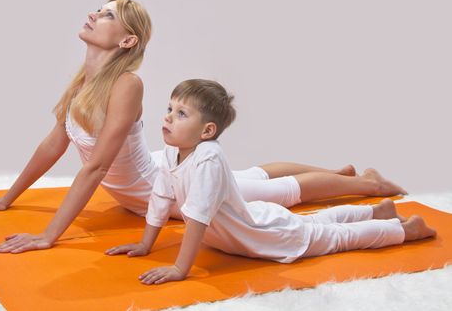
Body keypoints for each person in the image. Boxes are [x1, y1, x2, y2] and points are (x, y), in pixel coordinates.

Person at [0, 0, 406, 254]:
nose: (94, 13)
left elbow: (96, 166)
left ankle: (369, 187)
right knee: (253, 176)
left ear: (126, 40)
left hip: (164, 187)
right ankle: (343, 174)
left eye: (107, 14)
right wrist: (6, 199)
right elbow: (54, 145)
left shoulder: (126, 83)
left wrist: (49, 236)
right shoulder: (83, 82)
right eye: (99, 8)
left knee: (278, 192)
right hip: (151, 173)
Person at [106, 79, 436, 285]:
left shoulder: (208, 157)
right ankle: (375, 212)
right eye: (169, 108)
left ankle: (404, 230)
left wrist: (180, 268)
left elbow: (197, 217)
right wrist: (145, 245)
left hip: (270, 237)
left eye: (181, 114)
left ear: (207, 131)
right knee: (315, 222)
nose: (167, 117)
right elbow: (160, 200)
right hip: (256, 223)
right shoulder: (171, 153)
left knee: (333, 237)